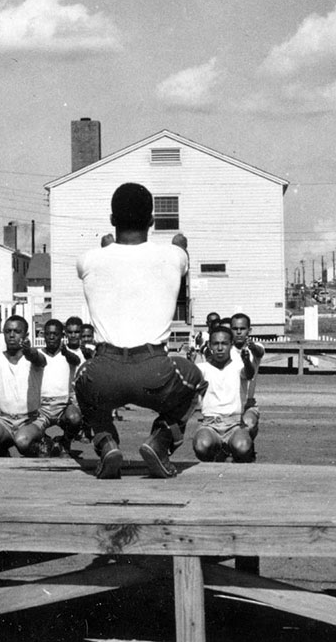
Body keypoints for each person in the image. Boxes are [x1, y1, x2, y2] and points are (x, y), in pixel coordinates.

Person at [72, 182, 206, 479]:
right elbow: (179, 252)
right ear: (152, 221)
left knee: (81, 378)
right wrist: (179, 243)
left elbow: (114, 263)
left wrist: (108, 247)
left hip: (104, 371)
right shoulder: (174, 255)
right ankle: (160, 441)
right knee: (196, 380)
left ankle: (106, 441)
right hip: (154, 371)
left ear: (111, 219)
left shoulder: (88, 259)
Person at [0, 315, 49, 457]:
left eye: (17, 332)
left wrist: (29, 351)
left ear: (26, 335)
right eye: (8, 331)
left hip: (31, 419)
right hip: (5, 419)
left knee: (23, 441)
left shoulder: (35, 356)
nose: (12, 335)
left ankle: (47, 446)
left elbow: (38, 359)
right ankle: (6, 464)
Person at [192, 325, 259, 462]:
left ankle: (235, 450)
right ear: (210, 345)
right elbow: (189, 380)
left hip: (234, 424)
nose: (220, 348)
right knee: (201, 446)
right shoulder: (203, 368)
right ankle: (217, 453)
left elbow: (249, 373)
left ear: (231, 345)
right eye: (216, 344)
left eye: (224, 344)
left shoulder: (239, 365)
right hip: (210, 424)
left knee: (242, 448)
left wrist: (246, 361)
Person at [22, 319, 84, 456]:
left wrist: (65, 352)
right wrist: (27, 350)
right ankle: (46, 441)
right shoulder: (39, 354)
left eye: (55, 334)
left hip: (63, 406)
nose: (51, 337)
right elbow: (33, 356)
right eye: (48, 334)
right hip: (42, 407)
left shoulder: (70, 355)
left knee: (75, 419)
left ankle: (64, 442)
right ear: (43, 335)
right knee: (25, 441)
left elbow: (76, 360)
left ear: (62, 336)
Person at [228, 312, 264, 438]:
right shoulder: (226, 351)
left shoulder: (255, 348)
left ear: (249, 330)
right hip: (230, 401)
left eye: (242, 329)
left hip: (248, 403)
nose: (238, 332)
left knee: (248, 425)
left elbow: (259, 352)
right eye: (235, 329)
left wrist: (252, 347)